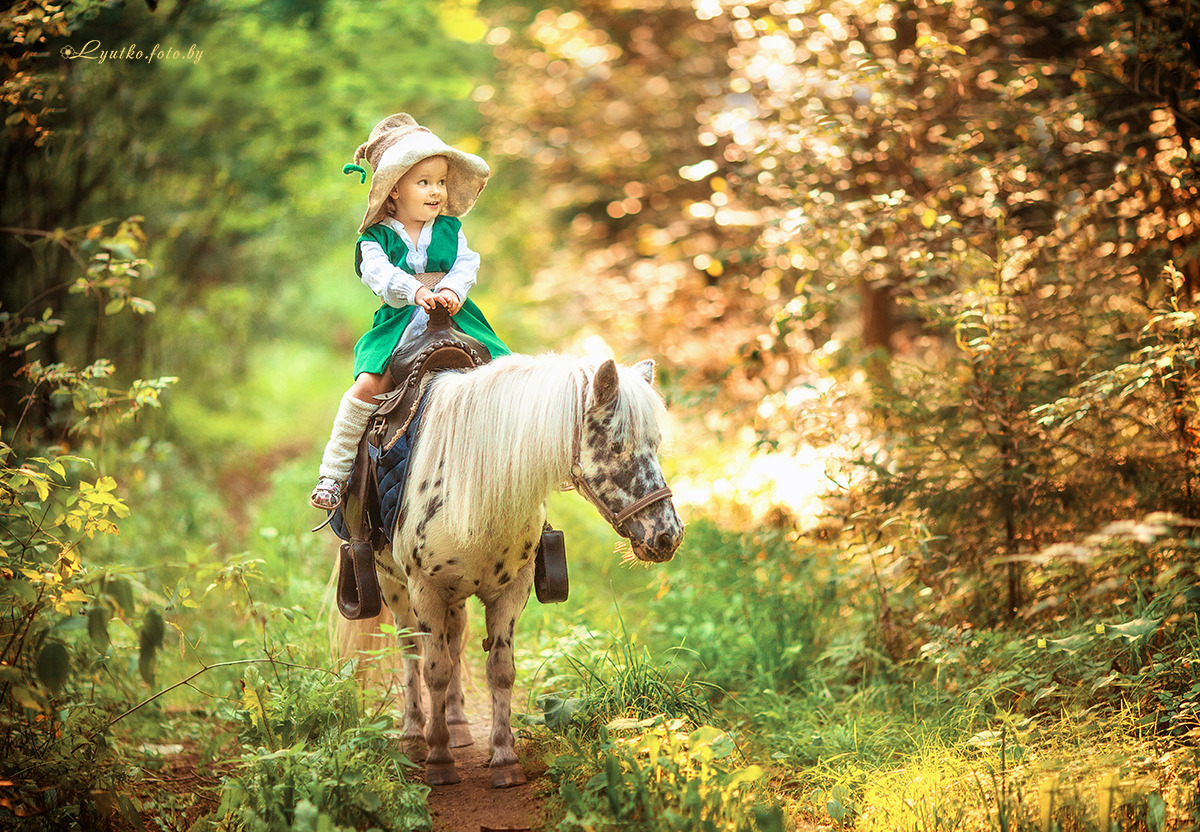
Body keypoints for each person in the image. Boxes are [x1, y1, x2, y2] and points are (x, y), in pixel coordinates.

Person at [311, 113, 510, 510]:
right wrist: (414, 290)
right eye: (424, 183)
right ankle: (334, 474)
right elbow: (378, 273)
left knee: (506, 373)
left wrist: (452, 289)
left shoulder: (451, 228)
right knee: (367, 386)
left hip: (456, 315)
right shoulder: (376, 237)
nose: (436, 191)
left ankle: (516, 468)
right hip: (401, 320)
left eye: (440, 182)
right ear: (394, 191)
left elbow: (466, 263)